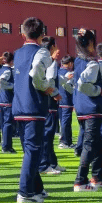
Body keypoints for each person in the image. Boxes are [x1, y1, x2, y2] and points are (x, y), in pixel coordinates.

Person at [12, 18, 56, 203]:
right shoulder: (42, 52)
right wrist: (45, 86)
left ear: (23, 34)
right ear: (42, 34)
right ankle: (25, 192)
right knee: (32, 151)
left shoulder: (18, 52)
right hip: (33, 106)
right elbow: (37, 71)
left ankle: (36, 188)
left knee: (29, 150)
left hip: (19, 106)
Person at [71, 29, 102, 192]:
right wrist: (98, 91)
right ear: (91, 43)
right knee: (89, 144)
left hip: (81, 107)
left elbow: (74, 83)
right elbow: (81, 83)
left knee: (98, 142)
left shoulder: (77, 61)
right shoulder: (91, 63)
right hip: (91, 107)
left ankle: (98, 177)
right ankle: (80, 180)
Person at [38, 37, 64, 176]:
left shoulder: (45, 59)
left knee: (49, 134)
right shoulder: (49, 61)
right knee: (47, 134)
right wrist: (54, 93)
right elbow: (48, 80)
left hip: (47, 102)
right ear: (53, 47)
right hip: (49, 103)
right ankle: (45, 163)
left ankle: (52, 162)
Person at [0, 52, 16, 154]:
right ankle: (6, 146)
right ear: (12, 61)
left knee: (5, 124)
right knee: (8, 124)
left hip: (2, 100)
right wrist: (12, 86)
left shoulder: (1, 69)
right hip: (7, 100)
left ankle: (6, 145)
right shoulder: (8, 70)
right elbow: (1, 81)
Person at [57, 56, 76, 149]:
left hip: (58, 99)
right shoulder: (69, 73)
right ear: (70, 63)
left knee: (63, 121)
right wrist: (74, 93)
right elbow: (68, 85)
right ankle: (64, 141)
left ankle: (68, 141)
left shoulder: (58, 71)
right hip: (66, 99)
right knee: (66, 121)